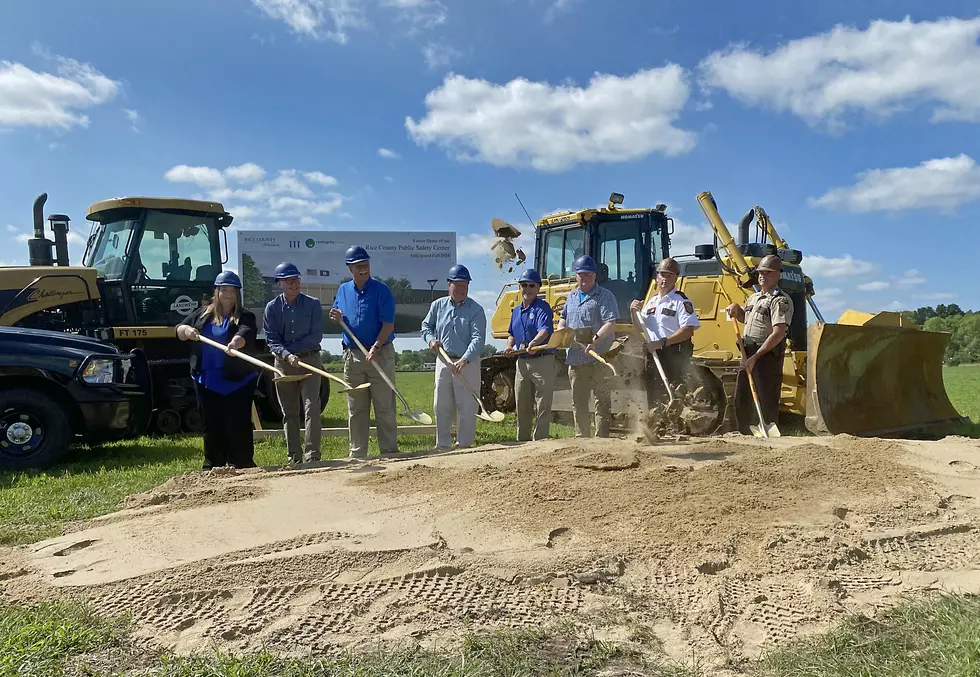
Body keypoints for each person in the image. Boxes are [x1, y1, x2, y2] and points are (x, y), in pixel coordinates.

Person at [176, 270, 260, 470]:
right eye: (224, 290)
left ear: (237, 293)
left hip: (237, 379)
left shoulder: (244, 315)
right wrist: (187, 332)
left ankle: (242, 463)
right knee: (211, 423)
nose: (228, 294)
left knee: (237, 422)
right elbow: (179, 329)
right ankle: (213, 464)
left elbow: (246, 332)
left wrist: (237, 342)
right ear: (217, 291)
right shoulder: (203, 313)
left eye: (232, 290)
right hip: (206, 378)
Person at [329, 245, 398, 459]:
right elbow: (338, 315)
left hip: (380, 352)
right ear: (350, 268)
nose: (364, 269)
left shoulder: (381, 290)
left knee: (384, 408)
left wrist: (375, 347)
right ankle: (357, 455)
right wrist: (336, 316)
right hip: (353, 356)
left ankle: (389, 453)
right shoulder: (343, 290)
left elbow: (388, 325)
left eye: (366, 265)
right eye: (359, 266)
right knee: (356, 409)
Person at [724, 254, 793, 434]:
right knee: (742, 395)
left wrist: (756, 357)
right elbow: (746, 319)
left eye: (768, 273)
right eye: (761, 273)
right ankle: (744, 432)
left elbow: (778, 333)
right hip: (748, 351)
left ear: (777, 275)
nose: (762, 276)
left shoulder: (780, 300)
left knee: (765, 396)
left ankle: (767, 430)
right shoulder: (753, 298)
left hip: (766, 355)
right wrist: (736, 309)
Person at [263, 262, 324, 464]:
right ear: (279, 283)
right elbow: (272, 339)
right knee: (289, 412)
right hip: (283, 363)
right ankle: (294, 458)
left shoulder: (313, 304)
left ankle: (313, 455)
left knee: (311, 408)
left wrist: (295, 352)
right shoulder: (272, 308)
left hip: (310, 360)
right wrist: (287, 355)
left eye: (296, 279)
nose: (294, 284)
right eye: (289, 280)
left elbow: (315, 336)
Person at [421, 264, 486, 450]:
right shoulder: (437, 306)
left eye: (465, 285)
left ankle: (464, 445)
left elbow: (478, 338)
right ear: (449, 284)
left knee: (467, 407)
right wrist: (431, 339)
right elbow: (426, 326)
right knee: (440, 405)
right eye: (457, 285)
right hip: (443, 360)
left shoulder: (476, 310)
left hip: (468, 363)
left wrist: (465, 360)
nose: (461, 289)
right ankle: (442, 445)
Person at [557, 255, 619, 438]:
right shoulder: (572, 296)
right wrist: (561, 331)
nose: (584, 279)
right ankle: (582, 438)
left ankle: (602, 439)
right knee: (579, 401)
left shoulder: (605, 296)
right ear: (576, 276)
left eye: (588, 275)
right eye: (581, 275)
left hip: (599, 358)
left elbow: (611, 322)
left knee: (602, 400)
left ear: (594, 275)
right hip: (576, 359)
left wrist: (596, 339)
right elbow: (563, 318)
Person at [629, 257, 700, 408]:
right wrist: (633, 312)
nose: (664, 279)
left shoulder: (681, 301)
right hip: (654, 354)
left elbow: (688, 330)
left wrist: (663, 342)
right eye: (662, 274)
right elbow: (640, 327)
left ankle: (676, 427)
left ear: (676, 278)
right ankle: (656, 425)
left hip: (674, 354)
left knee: (674, 393)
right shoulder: (652, 302)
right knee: (654, 393)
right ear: (657, 276)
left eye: (669, 275)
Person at [503, 268, 556, 441]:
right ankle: (522, 440)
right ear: (519, 287)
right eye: (524, 285)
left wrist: (534, 343)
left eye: (531, 285)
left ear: (538, 288)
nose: (527, 289)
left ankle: (540, 441)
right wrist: (509, 346)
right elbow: (511, 333)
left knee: (543, 404)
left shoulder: (543, 308)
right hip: (522, 362)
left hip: (542, 360)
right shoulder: (516, 311)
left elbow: (545, 331)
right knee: (522, 404)